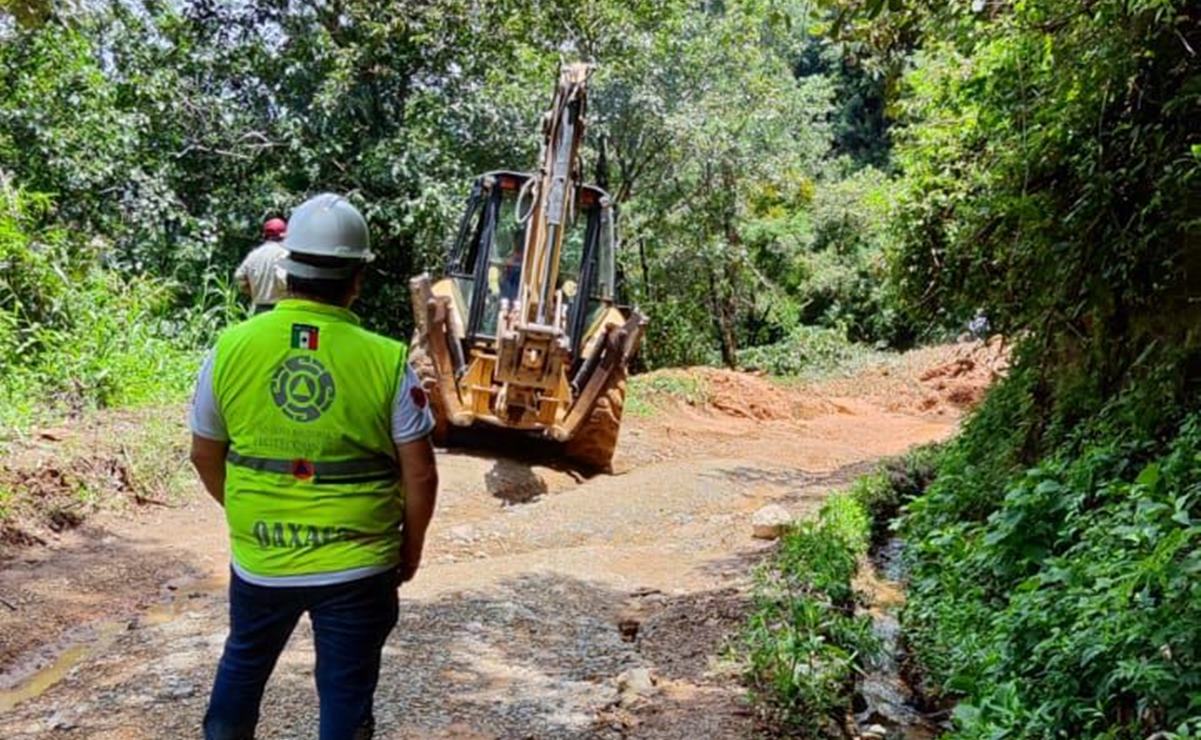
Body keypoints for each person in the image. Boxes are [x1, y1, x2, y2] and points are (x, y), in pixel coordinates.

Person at [189, 193, 439, 740]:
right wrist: (409, 547)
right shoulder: (386, 360)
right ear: (358, 278)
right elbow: (420, 473)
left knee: (243, 666)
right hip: (359, 564)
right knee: (345, 695)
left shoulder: (229, 348)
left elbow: (204, 452)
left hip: (261, 557)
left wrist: (247, 510)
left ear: (287, 267)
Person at [234, 218, 288, 313]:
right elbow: (283, 280)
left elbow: (239, 277)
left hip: (258, 308)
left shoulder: (253, 255)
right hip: (279, 309)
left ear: (265, 235)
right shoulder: (283, 253)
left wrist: (253, 292)